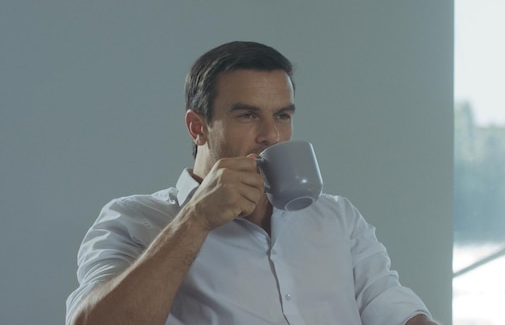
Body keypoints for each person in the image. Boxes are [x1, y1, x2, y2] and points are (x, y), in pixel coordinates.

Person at [66, 41, 439, 325]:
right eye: (247, 115)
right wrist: (195, 219)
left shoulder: (337, 216)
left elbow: (388, 303)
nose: (272, 135)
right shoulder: (133, 219)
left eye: (282, 115)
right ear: (198, 127)